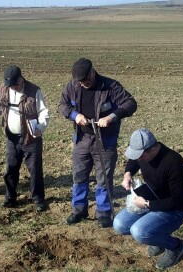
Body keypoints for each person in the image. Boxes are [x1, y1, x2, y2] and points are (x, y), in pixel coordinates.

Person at [58, 58, 137, 228]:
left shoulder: (111, 86)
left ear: (93, 72)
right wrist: (74, 115)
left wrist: (111, 117)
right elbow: (62, 105)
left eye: (86, 80)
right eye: (80, 82)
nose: (83, 84)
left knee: (104, 179)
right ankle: (79, 210)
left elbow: (131, 103)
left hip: (105, 140)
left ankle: (104, 213)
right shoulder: (73, 86)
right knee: (79, 176)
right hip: (82, 140)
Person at [113, 128, 183, 269]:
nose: (138, 159)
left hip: (174, 209)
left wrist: (148, 204)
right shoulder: (143, 155)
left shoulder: (173, 162)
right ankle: (156, 238)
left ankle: (176, 247)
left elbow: (180, 200)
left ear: (153, 149)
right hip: (151, 198)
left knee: (140, 232)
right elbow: (134, 161)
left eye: (141, 156)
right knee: (119, 224)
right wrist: (127, 174)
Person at [0, 65, 50, 212]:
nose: (13, 88)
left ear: (21, 78)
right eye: (10, 86)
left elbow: (44, 113)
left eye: (15, 85)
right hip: (12, 138)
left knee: (35, 170)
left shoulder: (34, 90)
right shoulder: (3, 89)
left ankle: (38, 199)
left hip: (32, 138)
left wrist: (40, 128)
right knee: (11, 169)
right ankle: (10, 197)